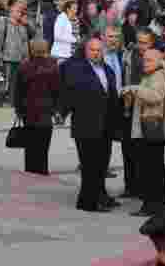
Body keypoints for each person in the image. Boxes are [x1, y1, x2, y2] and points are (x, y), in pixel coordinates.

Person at [64, 37, 118, 212]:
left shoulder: (108, 70)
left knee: (101, 164)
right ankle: (87, 202)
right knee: (89, 165)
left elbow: (112, 95)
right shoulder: (77, 69)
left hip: (106, 125)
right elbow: (72, 94)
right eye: (92, 50)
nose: (96, 53)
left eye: (99, 50)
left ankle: (99, 197)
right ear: (86, 51)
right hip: (86, 124)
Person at [122, 48, 165, 217]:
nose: (145, 63)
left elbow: (156, 96)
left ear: (159, 61)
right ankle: (156, 203)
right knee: (153, 168)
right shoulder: (152, 75)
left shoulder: (158, 76)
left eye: (149, 60)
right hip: (149, 128)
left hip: (152, 129)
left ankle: (152, 204)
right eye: (144, 60)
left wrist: (135, 89)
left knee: (151, 169)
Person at [15, 39, 60, 175]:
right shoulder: (53, 66)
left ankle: (30, 171)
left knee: (30, 146)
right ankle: (42, 169)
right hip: (46, 111)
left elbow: (18, 91)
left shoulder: (24, 66)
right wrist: (57, 109)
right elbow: (57, 90)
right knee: (43, 145)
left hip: (29, 111)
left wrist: (18, 110)